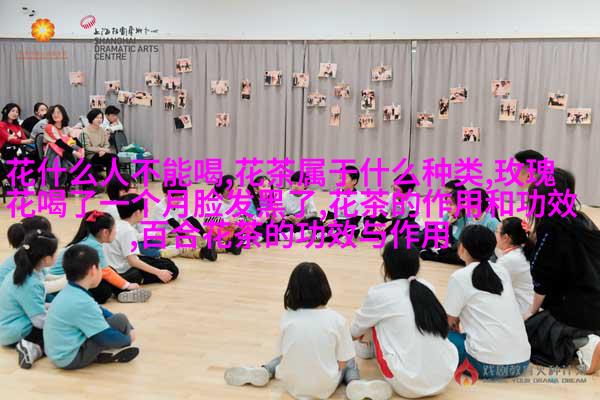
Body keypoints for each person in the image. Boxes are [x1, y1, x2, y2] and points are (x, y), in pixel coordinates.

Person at [224, 262, 392, 400]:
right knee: (349, 360)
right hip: (324, 387)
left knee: (280, 358)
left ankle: (266, 370)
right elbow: (341, 363)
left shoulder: (288, 317)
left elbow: (283, 353)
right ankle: (354, 383)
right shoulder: (337, 320)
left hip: (291, 384)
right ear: (325, 288)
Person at [351, 238, 458, 398]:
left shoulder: (378, 294)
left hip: (406, 384)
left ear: (386, 266)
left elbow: (354, 331)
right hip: (444, 376)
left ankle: (367, 351)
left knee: (371, 323)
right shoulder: (427, 287)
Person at [524, 168, 600, 374]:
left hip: (578, 308)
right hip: (594, 300)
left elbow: (542, 279)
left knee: (527, 334)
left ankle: (583, 342)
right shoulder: (581, 219)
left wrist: (531, 311)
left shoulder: (550, 228)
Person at [445, 225, 530, 379]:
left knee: (436, 337)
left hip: (485, 365)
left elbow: (446, 323)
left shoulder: (459, 277)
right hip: (521, 362)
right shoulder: (501, 272)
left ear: (462, 247)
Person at [44, 244, 139, 370]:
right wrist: (128, 339)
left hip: (57, 353)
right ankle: (109, 351)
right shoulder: (81, 301)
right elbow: (104, 336)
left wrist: (127, 327)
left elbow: (101, 310)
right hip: (70, 358)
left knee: (118, 319)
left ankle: (105, 352)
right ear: (93, 270)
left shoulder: (71, 290)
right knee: (119, 321)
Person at [49, 210, 152, 304]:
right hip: (63, 287)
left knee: (110, 273)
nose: (116, 232)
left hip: (65, 282)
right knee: (104, 289)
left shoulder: (88, 240)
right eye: (114, 229)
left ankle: (122, 292)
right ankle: (124, 291)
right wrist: (127, 285)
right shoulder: (94, 245)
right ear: (105, 232)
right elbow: (105, 272)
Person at [0, 230, 58, 369]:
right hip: (15, 331)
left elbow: (32, 305)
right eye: (55, 252)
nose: (57, 255)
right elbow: (39, 321)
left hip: (10, 327)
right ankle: (31, 347)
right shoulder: (31, 282)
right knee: (59, 333)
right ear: (46, 259)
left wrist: (53, 307)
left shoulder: (27, 271)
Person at [104, 194, 179, 285]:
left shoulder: (116, 224)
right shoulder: (128, 230)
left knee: (165, 262)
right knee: (172, 269)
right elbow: (133, 261)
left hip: (115, 266)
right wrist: (159, 272)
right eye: (144, 210)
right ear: (137, 212)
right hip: (124, 271)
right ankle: (140, 279)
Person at [150, 180, 218, 261]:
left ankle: (225, 248)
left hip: (175, 233)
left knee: (197, 239)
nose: (178, 200)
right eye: (175, 197)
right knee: (180, 246)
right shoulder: (160, 207)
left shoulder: (180, 203)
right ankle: (201, 253)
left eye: (181, 197)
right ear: (166, 194)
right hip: (161, 236)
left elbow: (191, 220)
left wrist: (203, 233)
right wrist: (184, 239)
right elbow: (173, 223)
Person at [42, 104, 91, 188]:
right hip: (53, 153)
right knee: (77, 159)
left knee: (86, 161)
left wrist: (81, 149)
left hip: (66, 152)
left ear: (63, 114)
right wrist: (75, 152)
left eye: (58, 112)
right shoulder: (49, 127)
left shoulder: (66, 128)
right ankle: (72, 181)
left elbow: (74, 140)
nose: (55, 115)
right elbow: (59, 143)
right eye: (53, 113)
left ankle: (88, 186)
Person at [494, 217, 534, 317]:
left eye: (496, 231)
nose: (494, 234)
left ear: (506, 237)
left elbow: (492, 288)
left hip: (522, 313)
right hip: (530, 306)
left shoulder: (509, 260)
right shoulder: (523, 250)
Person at [80, 108, 119, 175]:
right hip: (91, 155)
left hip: (101, 154)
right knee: (111, 158)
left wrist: (104, 151)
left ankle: (112, 179)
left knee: (114, 158)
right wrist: (101, 149)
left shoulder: (102, 130)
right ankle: (112, 178)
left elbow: (106, 144)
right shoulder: (85, 131)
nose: (99, 120)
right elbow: (86, 148)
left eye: (101, 118)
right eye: (97, 118)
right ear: (91, 118)